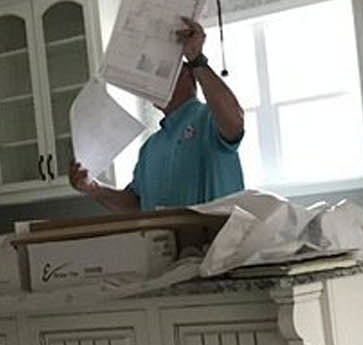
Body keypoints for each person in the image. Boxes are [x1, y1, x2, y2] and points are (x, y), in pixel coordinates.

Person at [69, 16, 244, 212]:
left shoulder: (208, 119)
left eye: (163, 71)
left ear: (189, 75)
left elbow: (234, 121)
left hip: (219, 232)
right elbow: (136, 206)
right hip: (164, 234)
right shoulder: (151, 147)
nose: (153, 80)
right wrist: (94, 189)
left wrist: (197, 60)